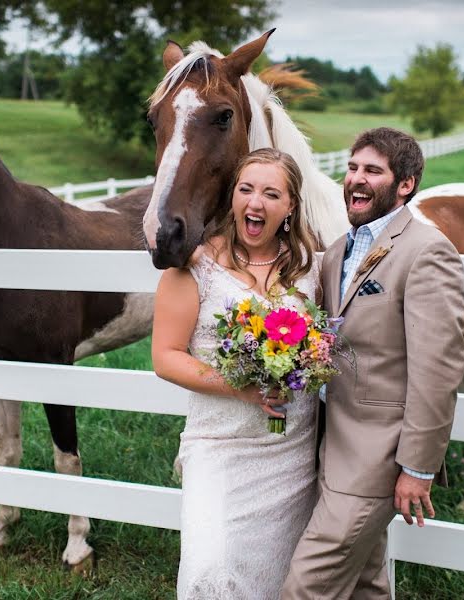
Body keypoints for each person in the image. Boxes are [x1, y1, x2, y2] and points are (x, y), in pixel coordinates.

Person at [281, 128, 464, 599]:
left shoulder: (427, 251)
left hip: (376, 456)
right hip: (331, 444)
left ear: (405, 184)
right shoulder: (339, 249)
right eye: (351, 168)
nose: (355, 180)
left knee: (308, 585)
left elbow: (438, 369)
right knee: (366, 583)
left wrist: (418, 469)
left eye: (372, 171)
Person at [152, 148, 322, 599]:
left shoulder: (310, 271)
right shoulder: (196, 268)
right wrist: (240, 387)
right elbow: (165, 356)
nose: (255, 203)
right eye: (246, 189)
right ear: (232, 199)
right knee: (209, 569)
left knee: (278, 575)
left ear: (290, 208)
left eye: (271, 193)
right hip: (218, 447)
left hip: (291, 454)